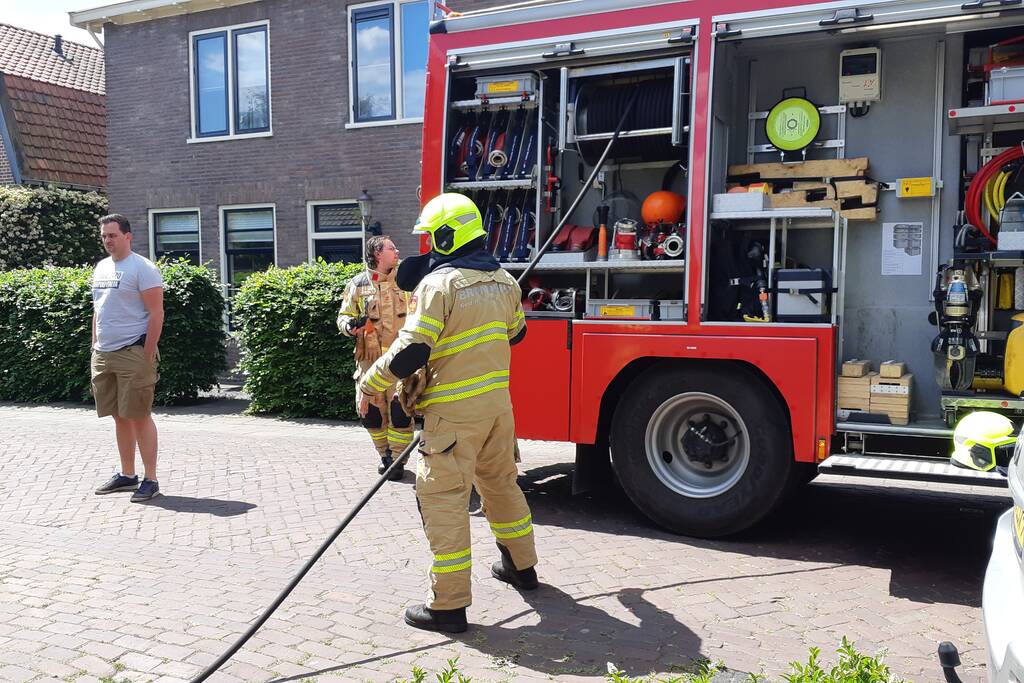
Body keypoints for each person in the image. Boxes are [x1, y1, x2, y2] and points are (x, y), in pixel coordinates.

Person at [358, 192, 538, 633]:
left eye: (431, 238)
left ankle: (448, 607)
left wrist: (369, 385)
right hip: (499, 410)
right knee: (501, 487)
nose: (427, 248)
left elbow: (412, 350)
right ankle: (523, 568)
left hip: (454, 416)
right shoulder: (506, 280)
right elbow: (518, 335)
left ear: (445, 234)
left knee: (442, 501)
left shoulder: (439, 285)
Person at [91, 214, 165, 502]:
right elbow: (98, 310)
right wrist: (94, 346)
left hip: (133, 351)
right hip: (104, 353)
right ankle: (127, 475)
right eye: (104, 236)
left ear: (127, 236)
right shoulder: (101, 268)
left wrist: (146, 353)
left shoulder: (143, 268)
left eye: (113, 235)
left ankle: (151, 479)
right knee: (119, 416)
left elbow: (157, 313)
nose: (108, 240)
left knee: (139, 415)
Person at [337, 236, 413, 481]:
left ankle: (398, 459)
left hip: (400, 361)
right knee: (370, 413)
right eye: (392, 248)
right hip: (369, 361)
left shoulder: (407, 280)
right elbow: (344, 316)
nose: (397, 250)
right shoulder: (357, 284)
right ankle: (385, 455)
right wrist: (350, 326)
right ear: (378, 254)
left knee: (400, 411)